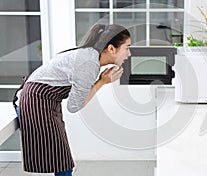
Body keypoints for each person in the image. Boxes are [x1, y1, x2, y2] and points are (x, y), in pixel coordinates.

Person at [18, 24, 131, 175]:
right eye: (127, 47)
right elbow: (74, 106)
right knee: (63, 164)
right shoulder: (89, 63)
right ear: (111, 48)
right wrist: (102, 82)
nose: (129, 54)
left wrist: (101, 81)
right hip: (37, 101)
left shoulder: (90, 56)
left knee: (62, 162)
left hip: (44, 100)